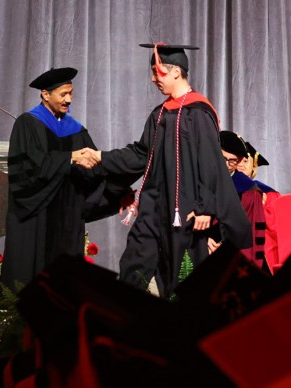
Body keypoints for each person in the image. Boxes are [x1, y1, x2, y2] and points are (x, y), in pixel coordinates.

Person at [80, 44, 251, 296]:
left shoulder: (199, 114)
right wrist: (101, 157)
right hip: (152, 208)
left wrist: (206, 207)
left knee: (182, 276)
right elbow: (140, 155)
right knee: (133, 267)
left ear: (175, 72)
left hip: (185, 211)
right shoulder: (159, 114)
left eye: (156, 72)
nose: (153, 79)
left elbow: (210, 162)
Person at [0, 67, 134, 293]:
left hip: (66, 218)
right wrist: (69, 158)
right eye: (63, 94)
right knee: (29, 282)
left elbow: (97, 170)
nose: (69, 99)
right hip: (36, 216)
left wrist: (121, 193)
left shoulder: (75, 129)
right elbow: (26, 169)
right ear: (45, 94)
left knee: (64, 284)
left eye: (71, 93)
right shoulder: (27, 124)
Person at [213, 131, 278, 270]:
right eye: (223, 158)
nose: (226, 164)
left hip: (233, 254)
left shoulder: (250, 191)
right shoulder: (198, 179)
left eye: (233, 161)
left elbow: (252, 234)